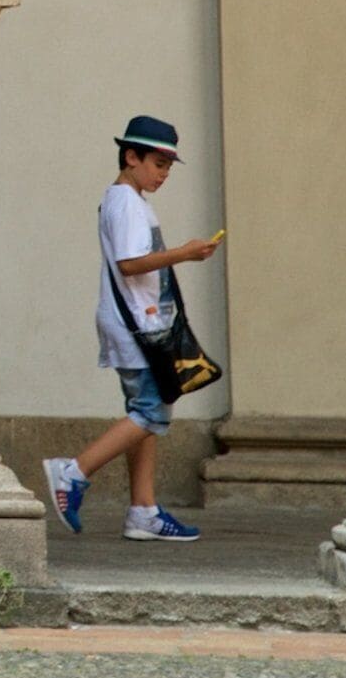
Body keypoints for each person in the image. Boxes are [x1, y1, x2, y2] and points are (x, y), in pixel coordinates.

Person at [45, 114, 225, 541]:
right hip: (137, 326)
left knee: (145, 411)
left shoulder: (131, 200)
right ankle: (72, 471)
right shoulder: (126, 201)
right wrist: (184, 253)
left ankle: (143, 511)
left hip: (141, 322)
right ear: (131, 156)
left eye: (167, 166)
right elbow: (129, 264)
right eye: (158, 163)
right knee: (151, 413)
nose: (163, 174)